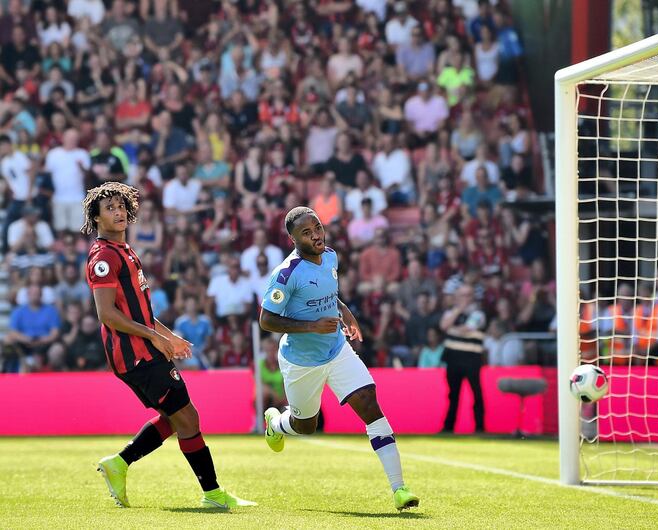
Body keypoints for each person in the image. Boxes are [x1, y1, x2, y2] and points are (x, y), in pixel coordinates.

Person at [81, 182, 254, 510]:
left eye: (121, 206)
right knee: (188, 418)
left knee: (177, 418)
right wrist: (155, 338)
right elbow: (107, 315)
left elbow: (140, 311)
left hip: (147, 349)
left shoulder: (126, 251)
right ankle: (213, 494)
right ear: (97, 217)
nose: (118, 212)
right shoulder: (103, 256)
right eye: (109, 209)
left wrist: (168, 335)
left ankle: (119, 464)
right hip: (134, 355)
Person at [259, 206, 419, 511]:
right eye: (306, 232)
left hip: (336, 349)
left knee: (370, 404)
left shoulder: (330, 255)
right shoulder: (286, 273)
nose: (316, 235)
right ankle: (276, 424)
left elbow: (330, 295)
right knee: (306, 426)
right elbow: (266, 320)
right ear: (293, 239)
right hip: (301, 361)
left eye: (317, 227)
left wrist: (346, 315)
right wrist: (311, 326)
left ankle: (400, 489)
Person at [440, 284, 486, 433]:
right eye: (462, 295)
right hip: (453, 358)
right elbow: (444, 325)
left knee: (476, 393)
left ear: (473, 297)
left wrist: (453, 329)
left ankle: (479, 427)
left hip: (471, 358)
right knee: (453, 394)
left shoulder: (478, 314)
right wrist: (458, 311)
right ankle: (448, 427)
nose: (465, 299)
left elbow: (468, 329)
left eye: (468, 295)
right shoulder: (451, 312)